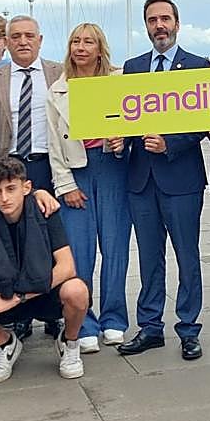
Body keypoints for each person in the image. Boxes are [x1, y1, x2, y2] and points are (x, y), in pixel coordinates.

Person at [117, 0, 210, 362]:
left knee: (187, 256)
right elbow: (125, 116)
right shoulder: (132, 68)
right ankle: (150, 327)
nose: (160, 25)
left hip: (182, 178)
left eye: (165, 19)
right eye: (153, 19)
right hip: (140, 180)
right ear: (146, 25)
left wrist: (169, 143)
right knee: (148, 258)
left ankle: (189, 329)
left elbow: (204, 122)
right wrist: (118, 139)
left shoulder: (198, 66)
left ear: (177, 22)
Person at [0, 156, 90, 382]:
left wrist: (18, 297)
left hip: (39, 289)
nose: (4, 198)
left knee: (77, 290)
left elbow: (67, 267)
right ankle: (4, 342)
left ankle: (69, 343)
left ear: (26, 188)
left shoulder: (44, 209)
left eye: (11, 189)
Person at [46, 23, 130, 353]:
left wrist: (123, 141)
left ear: (100, 48)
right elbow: (54, 143)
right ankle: (86, 321)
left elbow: (137, 120)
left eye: (89, 42)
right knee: (79, 253)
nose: (81, 47)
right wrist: (64, 184)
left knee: (115, 247)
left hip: (112, 167)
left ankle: (114, 319)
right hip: (77, 171)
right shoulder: (57, 90)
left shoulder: (118, 81)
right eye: (76, 42)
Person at [0, 15, 64, 192]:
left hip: (50, 164)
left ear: (39, 40)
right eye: (16, 37)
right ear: (7, 42)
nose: (23, 42)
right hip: (7, 165)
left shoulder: (61, 74)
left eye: (29, 36)